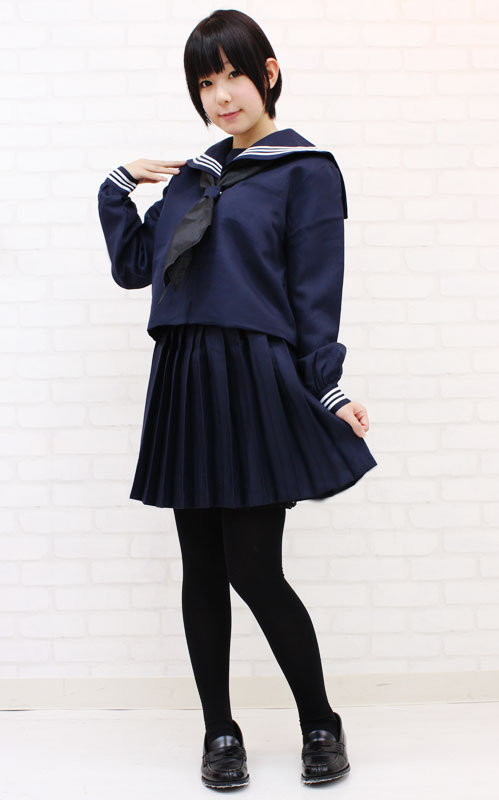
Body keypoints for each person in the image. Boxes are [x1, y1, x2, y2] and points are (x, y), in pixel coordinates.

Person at [97, 8, 377, 790]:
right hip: (185, 374)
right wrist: (118, 187)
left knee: (254, 568)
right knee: (200, 568)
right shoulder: (193, 176)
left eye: (232, 76)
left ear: (268, 74)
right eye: (205, 83)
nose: (221, 96)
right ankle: (219, 732)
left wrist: (328, 386)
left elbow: (314, 292)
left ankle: (319, 722)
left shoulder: (306, 170)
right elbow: (136, 267)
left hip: (253, 375)